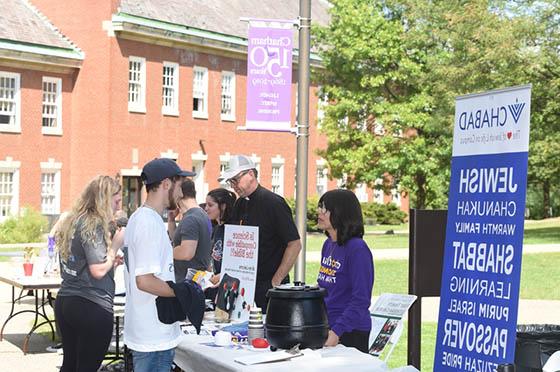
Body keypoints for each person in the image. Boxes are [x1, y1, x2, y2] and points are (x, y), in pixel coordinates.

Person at [123, 158, 191, 372]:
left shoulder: (142, 218)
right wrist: (182, 292)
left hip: (152, 330)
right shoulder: (147, 222)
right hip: (153, 334)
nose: (181, 194)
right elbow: (144, 280)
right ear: (166, 184)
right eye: (179, 186)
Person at [54, 176, 125, 371]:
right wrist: (115, 246)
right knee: (86, 367)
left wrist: (111, 262)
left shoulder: (73, 220)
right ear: (104, 199)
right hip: (91, 305)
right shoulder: (93, 224)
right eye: (116, 200)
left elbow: (83, 263)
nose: (118, 207)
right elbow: (98, 270)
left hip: (66, 301)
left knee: (70, 365)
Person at [219, 154, 301, 311]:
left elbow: (295, 244)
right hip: (244, 284)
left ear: (251, 174)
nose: (233, 185)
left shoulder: (274, 203)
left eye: (236, 179)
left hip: (268, 287)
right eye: (231, 182)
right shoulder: (240, 203)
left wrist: (276, 281)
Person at [316, 189, 374, 353]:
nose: (319, 212)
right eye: (319, 207)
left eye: (325, 209)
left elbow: (361, 299)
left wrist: (336, 332)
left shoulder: (357, 249)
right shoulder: (328, 245)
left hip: (350, 331)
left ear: (341, 213)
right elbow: (325, 289)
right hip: (329, 327)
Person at [168, 178, 212, 282]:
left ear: (179, 193)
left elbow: (186, 252)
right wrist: (171, 220)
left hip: (188, 283)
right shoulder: (200, 214)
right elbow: (178, 241)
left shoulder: (191, 219)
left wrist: (163, 252)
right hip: (195, 281)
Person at [204, 188, 237, 276]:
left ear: (223, 206)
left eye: (210, 205)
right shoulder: (216, 228)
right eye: (206, 205)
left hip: (228, 281)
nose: (206, 208)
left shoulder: (233, 230)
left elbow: (236, 263)